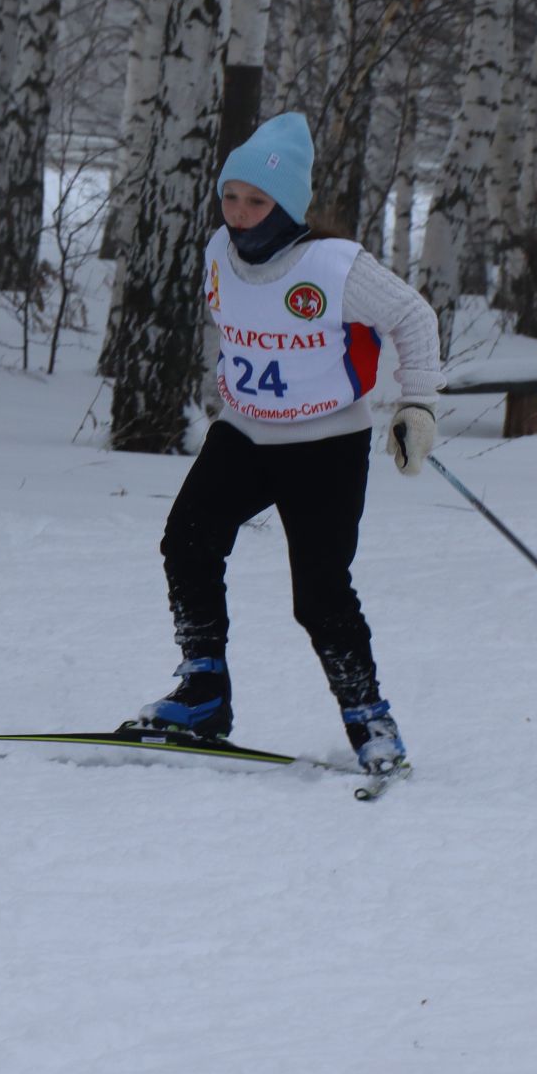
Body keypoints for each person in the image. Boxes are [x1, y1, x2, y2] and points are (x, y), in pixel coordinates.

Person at [131, 112, 445, 775]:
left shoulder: (333, 267)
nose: (239, 213)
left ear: (287, 205)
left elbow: (413, 316)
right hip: (245, 431)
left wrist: (416, 405)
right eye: (230, 197)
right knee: (187, 541)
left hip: (325, 442)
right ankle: (202, 692)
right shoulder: (219, 251)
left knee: (321, 593)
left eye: (256, 201)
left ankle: (370, 721)